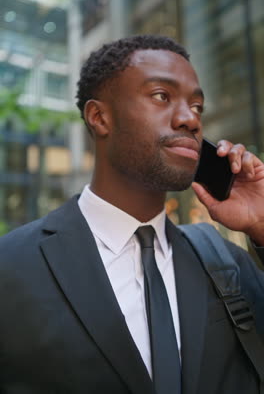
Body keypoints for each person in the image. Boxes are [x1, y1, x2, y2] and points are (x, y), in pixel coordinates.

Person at [0, 34, 263, 394]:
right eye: (161, 96)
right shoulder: (11, 267)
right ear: (99, 117)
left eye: (197, 106)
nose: (191, 119)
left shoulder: (227, 264)